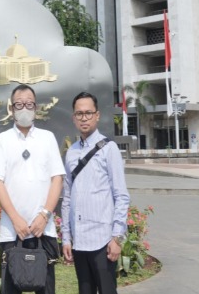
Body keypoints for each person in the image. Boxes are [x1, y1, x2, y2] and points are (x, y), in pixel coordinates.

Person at [0, 84, 65, 294]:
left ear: (36, 107)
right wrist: (16, 219)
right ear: (11, 109)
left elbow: (57, 178)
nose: (24, 109)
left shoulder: (47, 138)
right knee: (11, 289)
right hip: (12, 232)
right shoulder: (2, 140)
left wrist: (44, 215)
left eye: (29, 104)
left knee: (46, 288)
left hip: (44, 229)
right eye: (19, 104)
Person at [61, 92, 130, 294]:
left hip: (103, 241)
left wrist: (117, 237)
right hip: (80, 241)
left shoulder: (109, 149)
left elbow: (121, 195)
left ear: (97, 115)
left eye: (88, 113)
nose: (84, 118)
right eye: (79, 114)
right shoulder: (71, 152)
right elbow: (67, 197)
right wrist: (66, 238)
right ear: (74, 117)